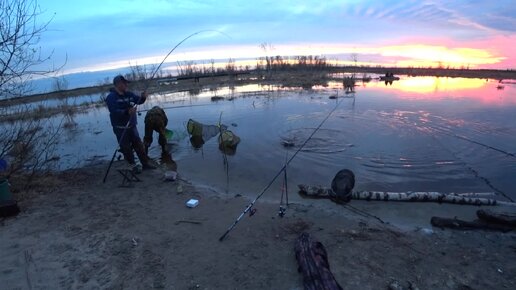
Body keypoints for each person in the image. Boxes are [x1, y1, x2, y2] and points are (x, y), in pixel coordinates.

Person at [105, 75, 156, 173]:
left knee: (139, 145)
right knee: (126, 148)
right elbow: (114, 111)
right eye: (124, 83)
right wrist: (127, 112)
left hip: (132, 126)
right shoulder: (111, 97)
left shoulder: (129, 94)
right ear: (118, 84)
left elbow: (138, 100)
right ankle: (133, 167)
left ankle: (145, 164)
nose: (126, 85)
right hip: (120, 128)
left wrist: (143, 97)